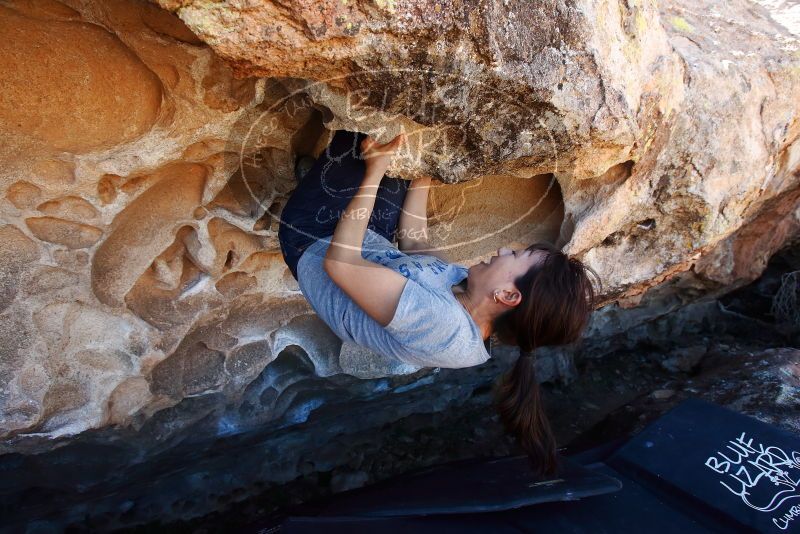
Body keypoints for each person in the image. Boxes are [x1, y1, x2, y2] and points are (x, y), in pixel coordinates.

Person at [278, 130, 599, 476]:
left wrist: (373, 173)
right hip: (371, 242)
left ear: (508, 296)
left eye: (516, 255)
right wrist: (424, 175)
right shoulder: (474, 294)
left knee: (360, 142)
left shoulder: (442, 327)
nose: (504, 250)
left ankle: (318, 185)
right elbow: (416, 246)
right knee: (398, 147)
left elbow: (341, 264)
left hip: (315, 241)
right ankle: (331, 181)